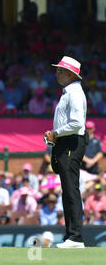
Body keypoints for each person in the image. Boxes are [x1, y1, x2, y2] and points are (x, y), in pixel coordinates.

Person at [44, 56, 87, 248]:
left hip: (71, 142)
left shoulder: (74, 94)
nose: (57, 73)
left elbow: (77, 123)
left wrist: (56, 133)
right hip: (66, 142)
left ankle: (75, 237)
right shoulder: (68, 93)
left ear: (70, 74)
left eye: (60, 70)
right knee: (68, 190)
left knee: (70, 190)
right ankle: (72, 236)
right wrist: (54, 137)